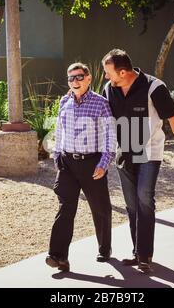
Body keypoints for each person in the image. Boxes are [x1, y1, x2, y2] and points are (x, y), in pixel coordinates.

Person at [101, 49, 174, 273]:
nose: (105, 77)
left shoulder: (154, 87)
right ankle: (137, 252)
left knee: (144, 198)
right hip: (124, 153)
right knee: (132, 204)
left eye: (108, 72)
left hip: (149, 152)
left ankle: (145, 255)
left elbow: (173, 119)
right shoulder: (108, 90)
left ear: (122, 72)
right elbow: (103, 121)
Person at [46, 62, 117, 272]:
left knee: (100, 208)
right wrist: (57, 154)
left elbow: (110, 137)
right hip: (67, 163)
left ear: (88, 79)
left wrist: (104, 163)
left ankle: (104, 248)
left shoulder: (100, 103)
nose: (74, 81)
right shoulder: (64, 101)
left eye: (78, 77)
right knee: (65, 208)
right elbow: (59, 129)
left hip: (92, 163)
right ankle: (58, 256)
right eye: (70, 78)